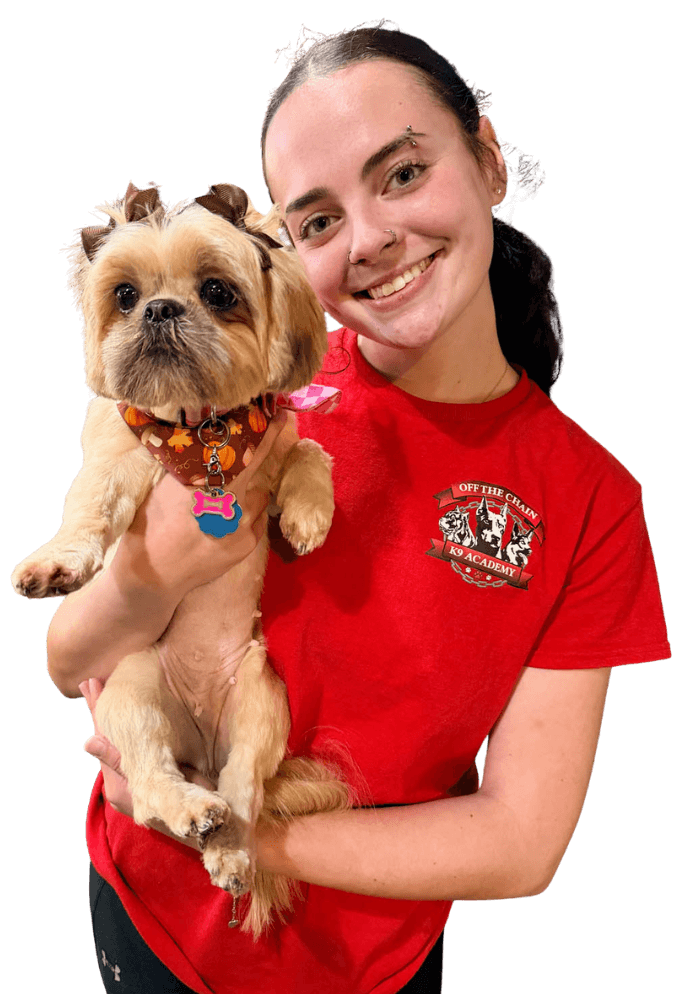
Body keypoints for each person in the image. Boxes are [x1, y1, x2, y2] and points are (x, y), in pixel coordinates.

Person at [46, 20, 671, 995]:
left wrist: (251, 833)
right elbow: (68, 649)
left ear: (488, 157)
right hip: (152, 910)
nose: (373, 238)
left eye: (403, 174)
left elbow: (521, 842)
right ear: (288, 256)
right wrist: (141, 583)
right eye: (319, 219)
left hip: (372, 961)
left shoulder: (590, 500)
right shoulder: (248, 398)